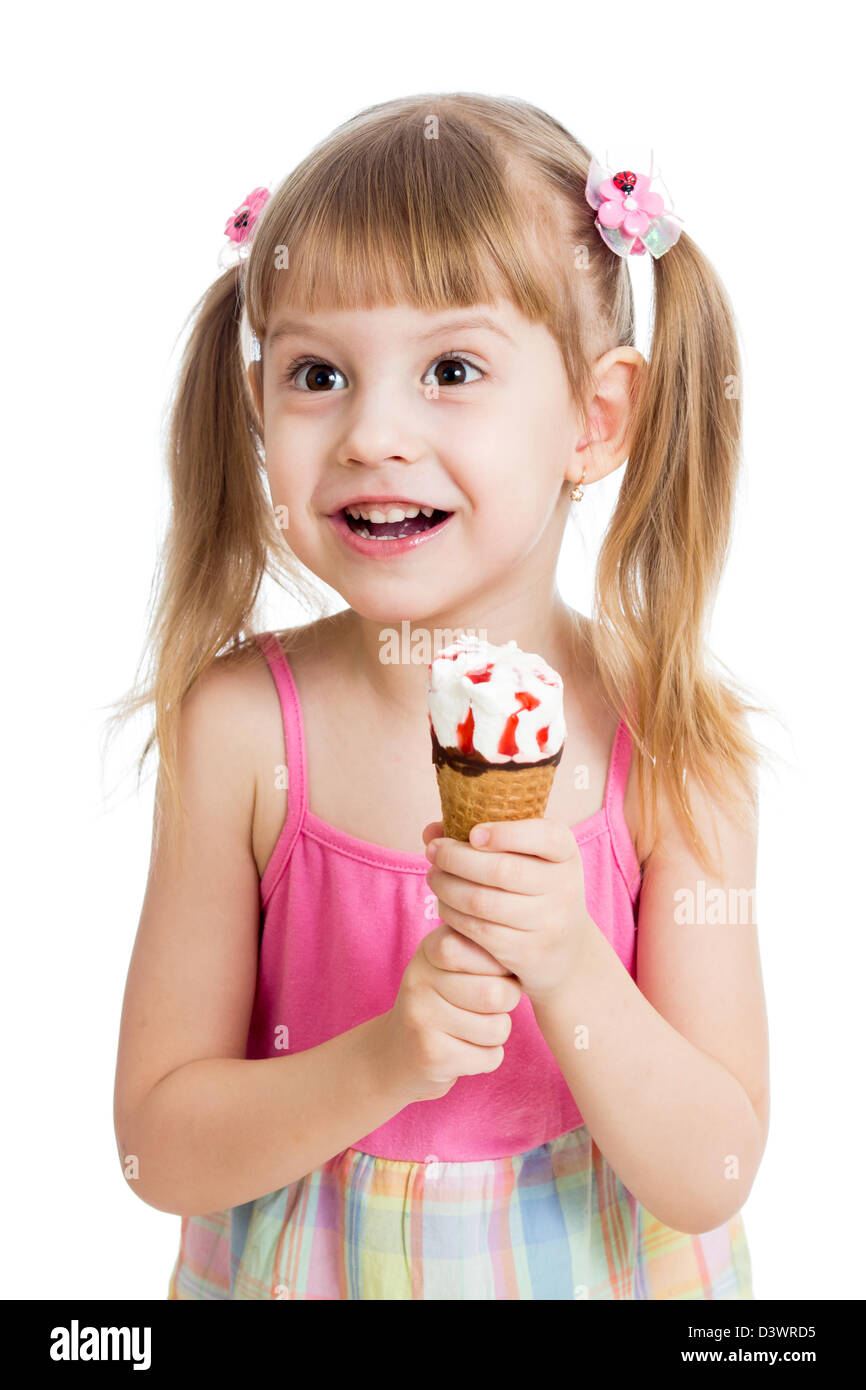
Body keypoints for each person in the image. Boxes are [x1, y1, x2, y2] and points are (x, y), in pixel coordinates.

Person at [110, 92, 769, 1299]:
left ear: (593, 415)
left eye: (450, 368)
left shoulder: (670, 742)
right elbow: (160, 1148)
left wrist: (571, 966)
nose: (370, 433)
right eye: (316, 372)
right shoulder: (242, 730)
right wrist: (380, 1062)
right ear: (257, 405)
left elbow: (710, 1170)